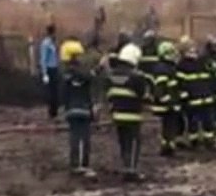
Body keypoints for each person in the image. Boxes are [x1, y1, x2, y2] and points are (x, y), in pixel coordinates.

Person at [104, 43, 153, 181]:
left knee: (123, 141)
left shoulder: (112, 74)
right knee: (134, 142)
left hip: (117, 114)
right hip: (132, 115)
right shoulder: (137, 77)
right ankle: (131, 170)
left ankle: (126, 166)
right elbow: (143, 96)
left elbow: (108, 94)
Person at [58, 39, 96, 176]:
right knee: (83, 138)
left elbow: (62, 93)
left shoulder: (65, 74)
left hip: (71, 109)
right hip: (82, 108)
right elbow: (89, 78)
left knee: (74, 137)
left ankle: (75, 163)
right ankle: (81, 165)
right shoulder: (80, 72)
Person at [175, 38, 216, 149]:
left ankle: (195, 142)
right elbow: (212, 77)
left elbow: (180, 84)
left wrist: (183, 98)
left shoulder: (181, 65)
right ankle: (209, 141)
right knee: (207, 121)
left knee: (193, 122)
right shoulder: (203, 61)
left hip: (193, 100)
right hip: (206, 98)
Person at [146, 40, 184, 155]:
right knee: (169, 125)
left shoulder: (168, 67)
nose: (174, 55)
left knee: (170, 125)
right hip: (167, 105)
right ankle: (167, 147)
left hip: (170, 103)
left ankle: (168, 145)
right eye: (171, 53)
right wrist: (169, 102)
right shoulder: (163, 68)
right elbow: (160, 88)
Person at [38, 25, 60, 119]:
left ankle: (55, 112)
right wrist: (44, 73)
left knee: (55, 91)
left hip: (54, 68)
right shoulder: (46, 44)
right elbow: (43, 59)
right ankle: (51, 112)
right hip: (49, 69)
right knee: (51, 92)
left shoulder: (53, 43)